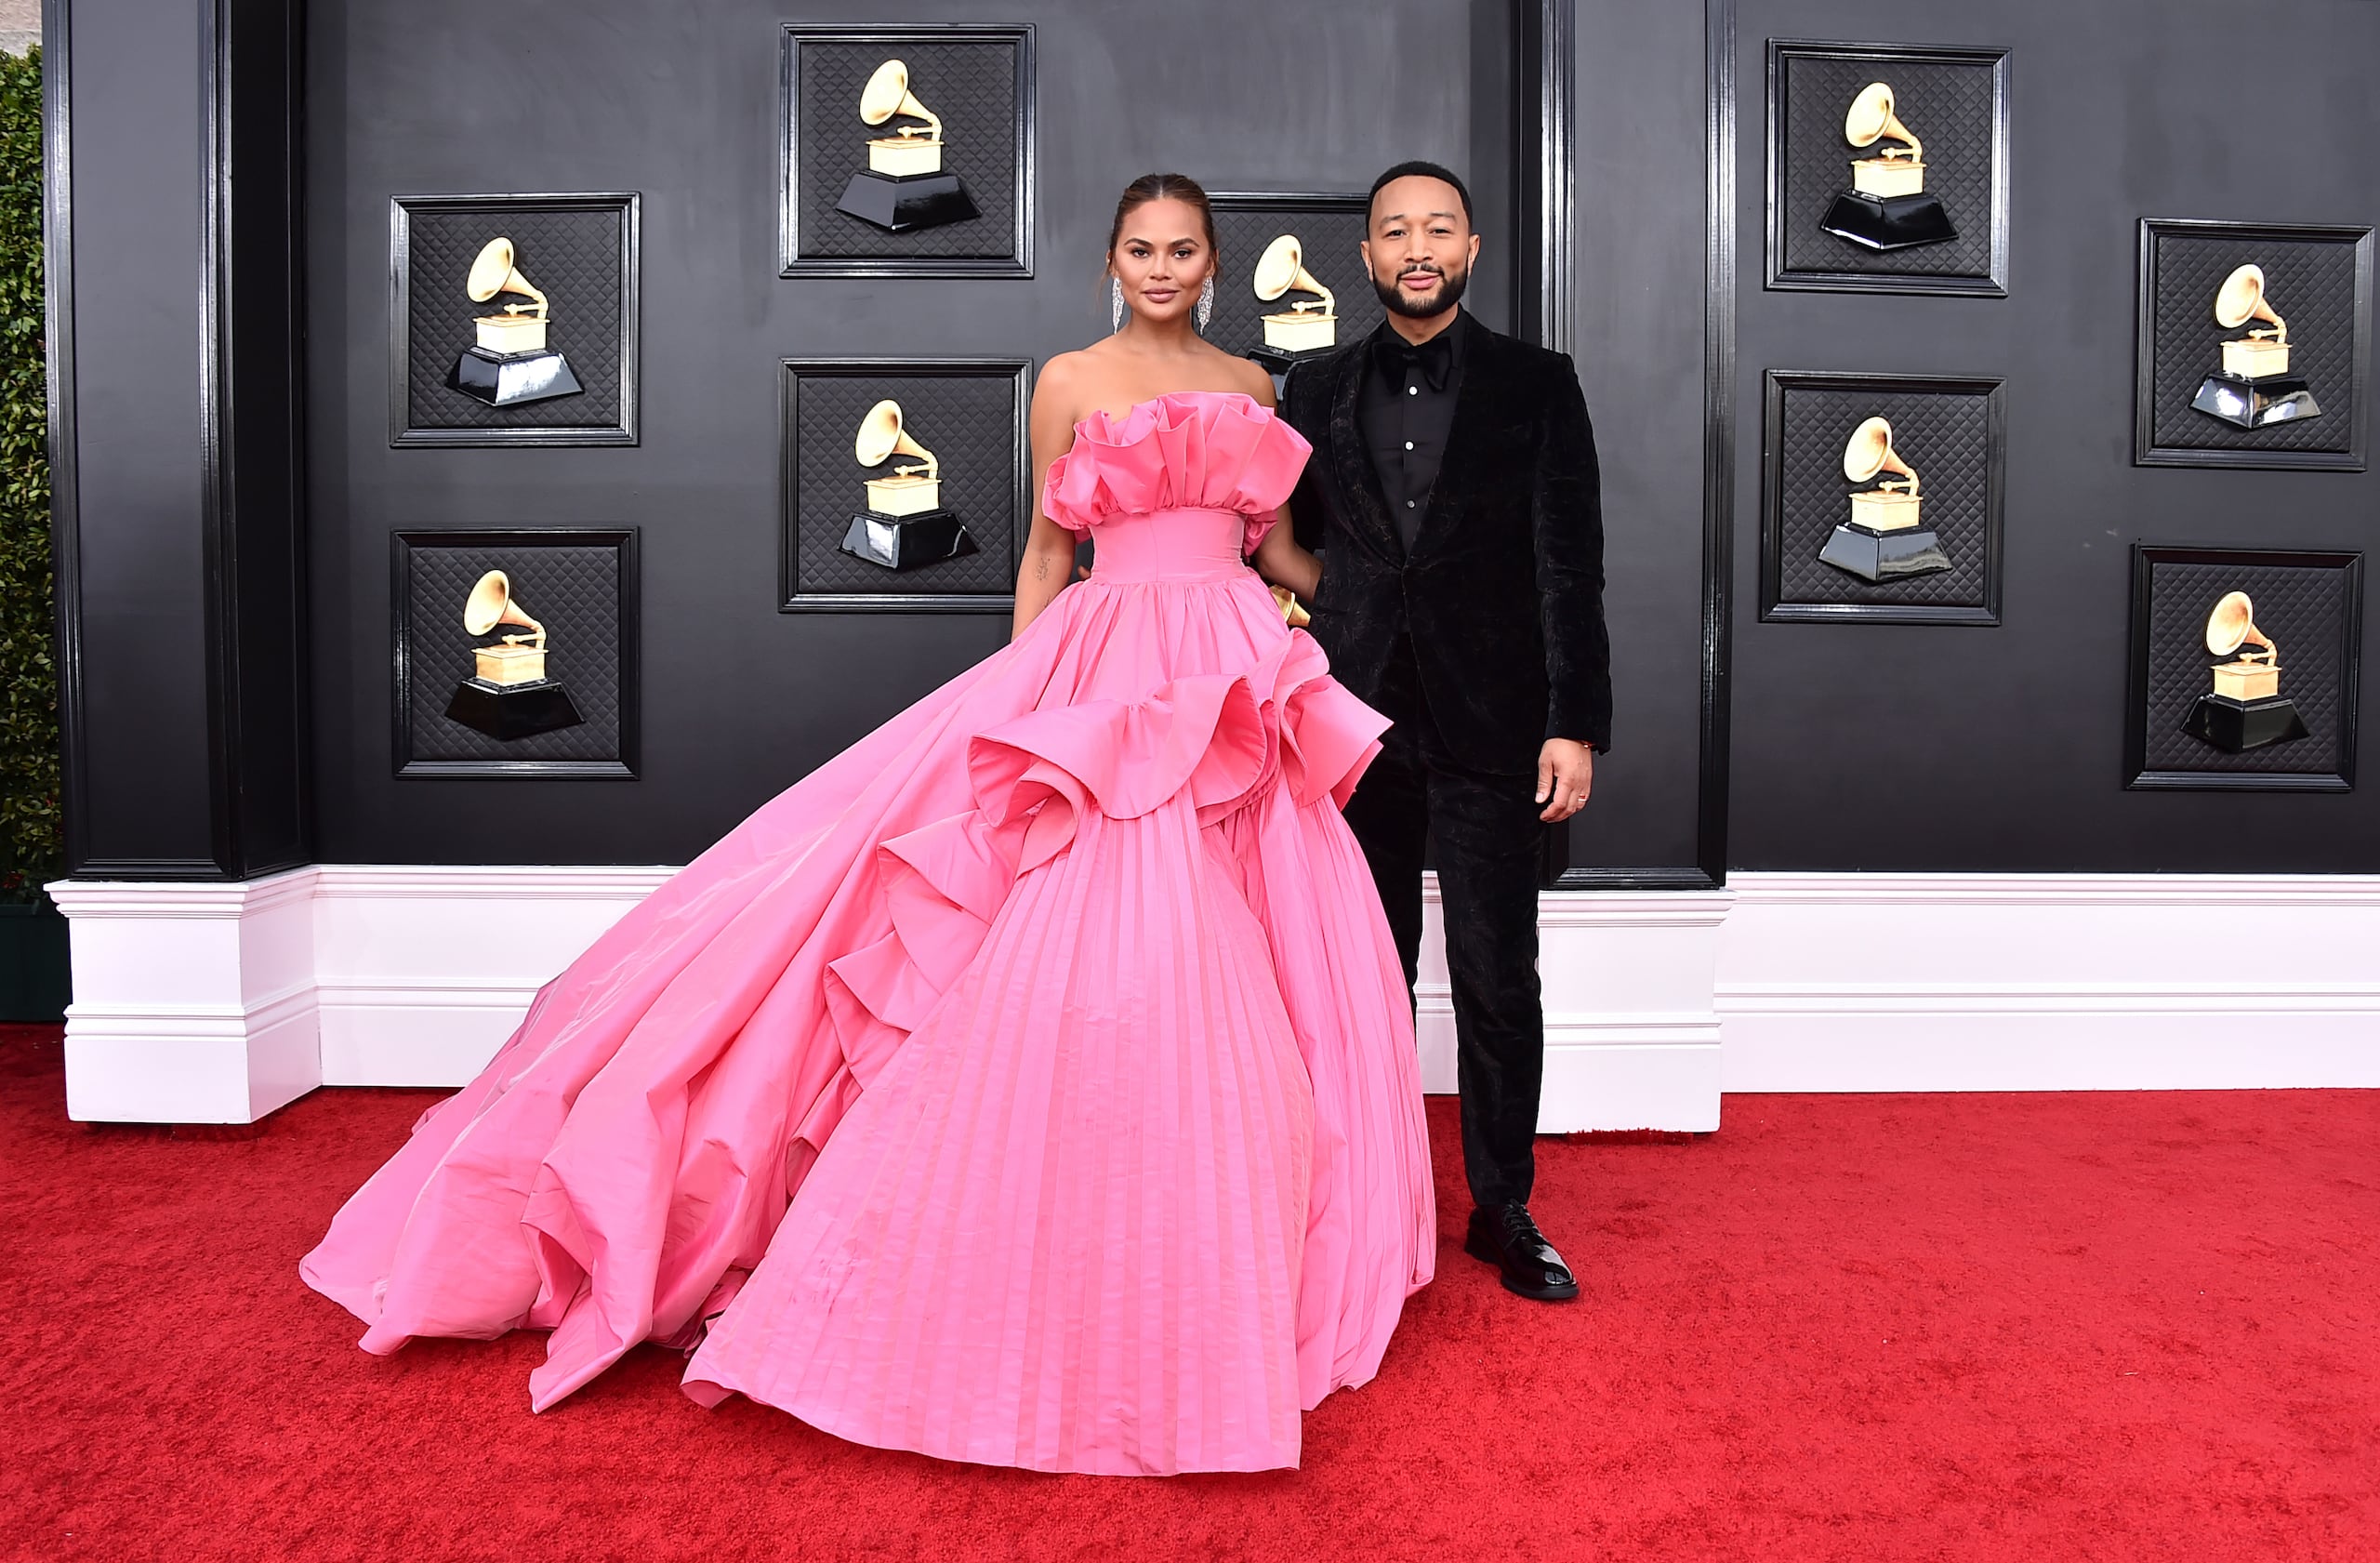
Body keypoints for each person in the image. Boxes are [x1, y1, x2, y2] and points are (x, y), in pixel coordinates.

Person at [300, 174, 1435, 1478]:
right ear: (1112, 257)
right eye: (1141, 249)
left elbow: (1280, 551)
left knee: (1250, 951)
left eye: (1183, 249)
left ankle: (1210, 1234)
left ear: (1214, 262)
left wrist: (1396, 586)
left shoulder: (1250, 385)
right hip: (1104, 674)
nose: (1163, 267)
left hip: (1229, 673)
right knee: (1081, 945)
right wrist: (1027, 707)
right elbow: (1045, 560)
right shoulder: (1066, 378)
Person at [1280, 160, 1610, 1304]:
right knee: (1361, 973)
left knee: (1493, 974)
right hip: (1356, 718)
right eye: (1392, 231)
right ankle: (1363, 1203)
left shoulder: (1538, 382)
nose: (1415, 247)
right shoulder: (1309, 389)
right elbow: (1289, 549)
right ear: (1365, 257)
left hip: (1494, 718)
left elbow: (1571, 563)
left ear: (1470, 248)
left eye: (1437, 228)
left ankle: (1502, 1209)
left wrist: (1575, 722)